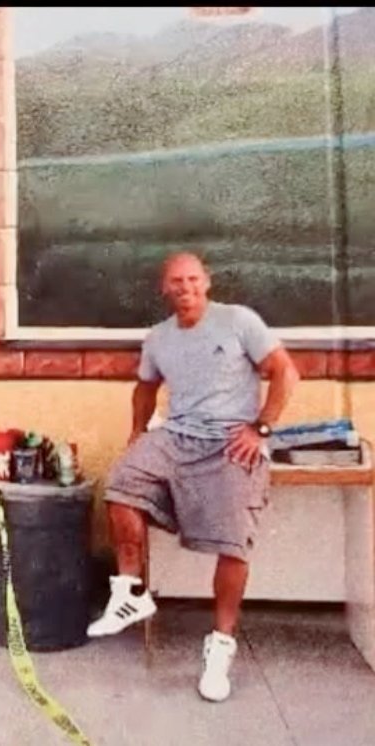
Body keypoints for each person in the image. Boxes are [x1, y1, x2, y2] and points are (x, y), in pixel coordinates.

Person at [86, 251, 300, 703]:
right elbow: (145, 387)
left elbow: (286, 372)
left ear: (207, 282)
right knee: (122, 482)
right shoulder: (159, 337)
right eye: (176, 282)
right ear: (165, 289)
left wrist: (261, 427)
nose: (185, 288)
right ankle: (131, 592)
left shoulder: (239, 321)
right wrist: (136, 433)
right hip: (177, 435)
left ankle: (221, 645)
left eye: (193, 279)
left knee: (233, 541)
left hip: (230, 441)